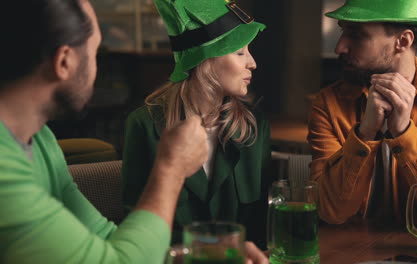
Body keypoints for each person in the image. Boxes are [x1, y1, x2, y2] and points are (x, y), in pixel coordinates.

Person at [0, 1, 268, 263]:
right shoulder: (4, 171)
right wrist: (171, 168)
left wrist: (206, 254)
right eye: (95, 52)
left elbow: (106, 237)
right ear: (64, 62)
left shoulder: (42, 140)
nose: (97, 68)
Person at [122, 0, 272, 248]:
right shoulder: (143, 126)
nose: (252, 63)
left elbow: (263, 224)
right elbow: (136, 224)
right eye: (240, 52)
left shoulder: (255, 125)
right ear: (206, 58)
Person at [308, 0, 417, 225]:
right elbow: (329, 209)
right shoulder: (327, 104)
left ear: (403, 41)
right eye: (343, 32)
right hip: (347, 252)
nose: (339, 47)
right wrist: (364, 134)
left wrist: (404, 133)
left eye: (357, 35)